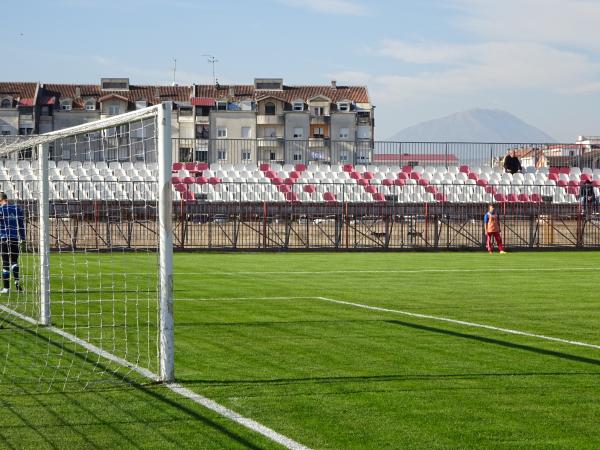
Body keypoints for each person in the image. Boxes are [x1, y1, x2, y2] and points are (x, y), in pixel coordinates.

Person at [0, 192, 25, 293]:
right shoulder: (17, 209)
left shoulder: (1, 209)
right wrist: (23, 238)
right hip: (15, 238)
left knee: (5, 262)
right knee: (14, 261)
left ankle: (6, 288)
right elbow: (21, 224)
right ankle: (17, 283)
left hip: (4, 238)